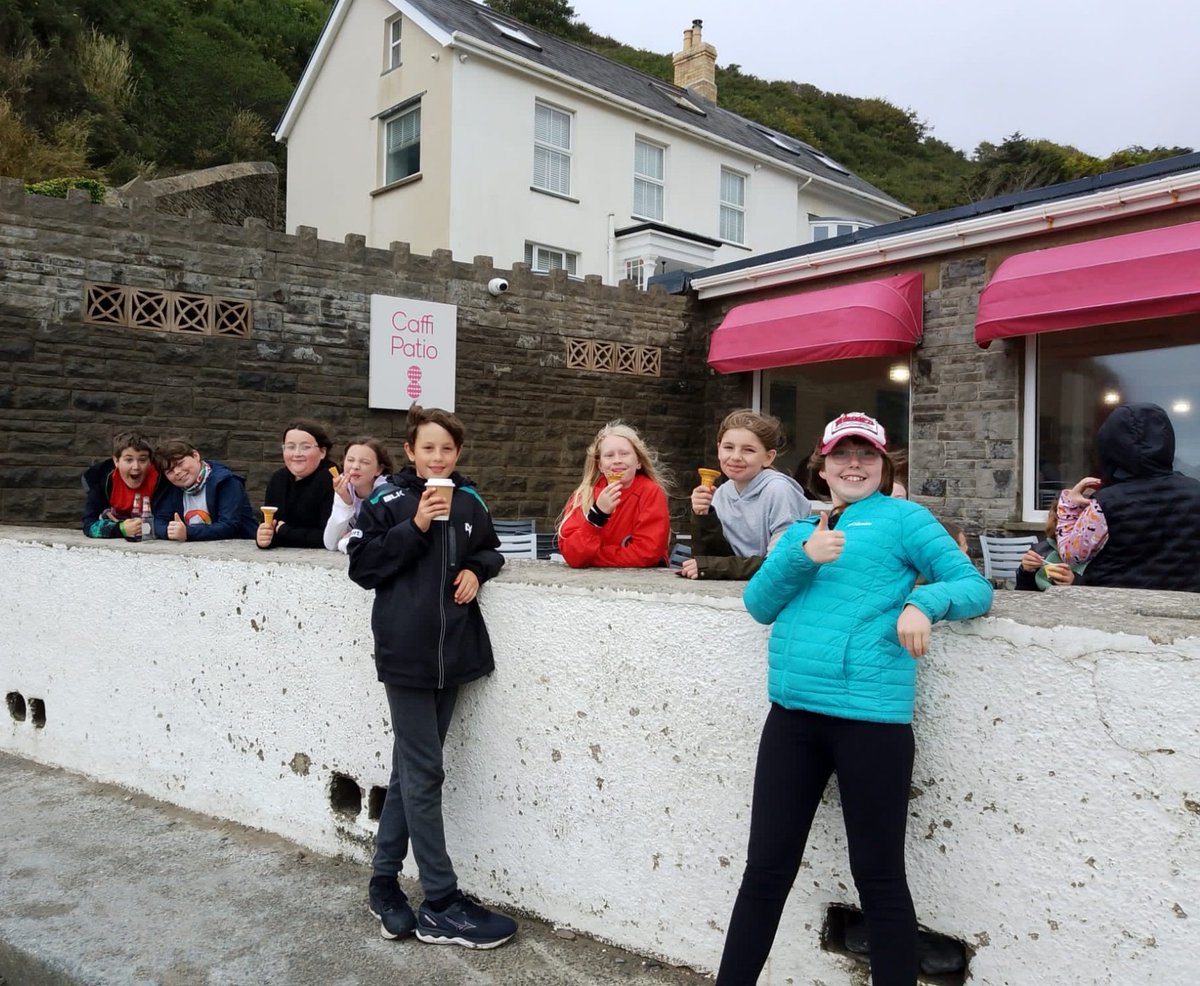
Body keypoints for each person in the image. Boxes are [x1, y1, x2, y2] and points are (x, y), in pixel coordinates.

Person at [715, 411, 992, 986]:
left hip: (871, 720)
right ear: (822, 465)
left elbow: (973, 585)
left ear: (884, 465)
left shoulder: (907, 519)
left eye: (867, 455)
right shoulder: (800, 531)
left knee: (880, 875)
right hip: (792, 717)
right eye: (842, 454)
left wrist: (924, 603)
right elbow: (759, 605)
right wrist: (801, 555)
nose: (854, 464)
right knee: (765, 871)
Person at [346, 405, 517, 948]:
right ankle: (441, 902)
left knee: (411, 768)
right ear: (411, 451)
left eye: (447, 449)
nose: (437, 457)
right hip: (407, 656)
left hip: (456, 654)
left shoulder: (471, 501)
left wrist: (477, 568)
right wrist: (417, 525)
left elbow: (492, 549)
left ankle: (382, 882)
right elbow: (363, 568)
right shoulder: (386, 501)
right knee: (425, 772)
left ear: (457, 454)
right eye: (428, 448)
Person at [1056, 402, 1200, 592]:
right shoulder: (1195, 491)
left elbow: (1070, 554)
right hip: (1182, 609)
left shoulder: (1105, 503)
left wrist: (1069, 504)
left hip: (1116, 609)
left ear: (1110, 447)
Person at [681, 409, 810, 580]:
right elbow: (710, 560)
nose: (735, 457)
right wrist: (703, 517)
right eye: (728, 447)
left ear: (768, 457)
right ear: (719, 449)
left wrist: (711, 567)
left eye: (748, 450)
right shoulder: (721, 494)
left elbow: (780, 563)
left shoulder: (779, 491)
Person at [556, 421, 670, 568]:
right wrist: (597, 517)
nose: (617, 460)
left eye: (624, 454)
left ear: (638, 462)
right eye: (609, 455)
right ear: (600, 465)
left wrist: (593, 558)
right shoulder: (584, 496)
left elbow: (647, 553)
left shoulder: (651, 492)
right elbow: (573, 555)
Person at [152, 439, 256, 541]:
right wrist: (170, 531)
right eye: (169, 471)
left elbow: (229, 525)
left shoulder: (226, 482)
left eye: (180, 464)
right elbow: (159, 521)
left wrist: (187, 533)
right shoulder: (171, 488)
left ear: (195, 456)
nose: (177, 472)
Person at [257, 420, 337, 549]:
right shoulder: (278, 479)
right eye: (290, 447)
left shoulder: (333, 480)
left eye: (305, 447)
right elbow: (272, 527)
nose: (297, 454)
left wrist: (285, 532)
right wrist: (264, 536)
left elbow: (329, 538)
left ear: (322, 452)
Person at [81, 430, 163, 540]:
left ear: (150, 461)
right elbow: (89, 525)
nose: (136, 467)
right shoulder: (102, 480)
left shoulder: (162, 481)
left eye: (142, 460)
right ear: (116, 461)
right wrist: (121, 528)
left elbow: (166, 522)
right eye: (129, 460)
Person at [323, 437, 394, 552]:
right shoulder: (344, 487)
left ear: (379, 469)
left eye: (364, 462)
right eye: (350, 460)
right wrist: (346, 504)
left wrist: (347, 541)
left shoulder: (386, 491)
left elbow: (377, 542)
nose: (355, 466)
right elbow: (331, 543)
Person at [1015, 498, 1083, 591]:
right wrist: (1026, 571)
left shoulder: (1100, 556)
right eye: (1064, 519)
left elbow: (1105, 593)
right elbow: (1023, 594)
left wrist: (1075, 582)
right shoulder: (1040, 551)